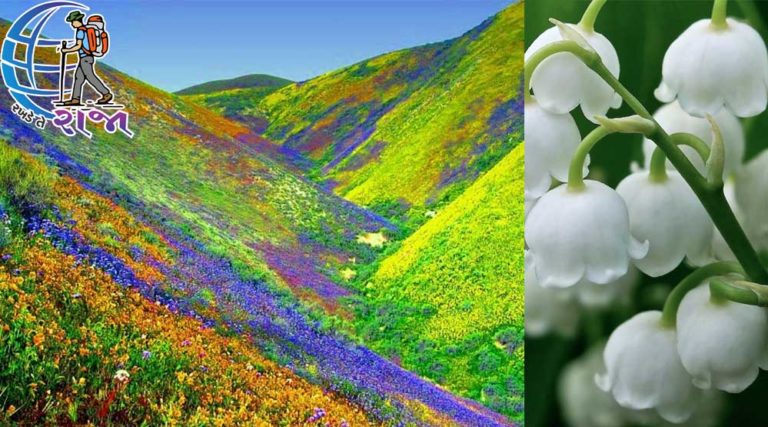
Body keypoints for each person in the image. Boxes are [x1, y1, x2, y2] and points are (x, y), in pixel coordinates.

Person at [59, 10, 113, 106]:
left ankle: (106, 93)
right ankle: (75, 99)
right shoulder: (86, 30)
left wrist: (66, 50)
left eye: (72, 22)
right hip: (87, 57)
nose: (72, 24)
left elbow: (78, 46)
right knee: (78, 78)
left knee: (90, 77)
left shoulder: (80, 31)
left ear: (77, 21)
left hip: (85, 58)